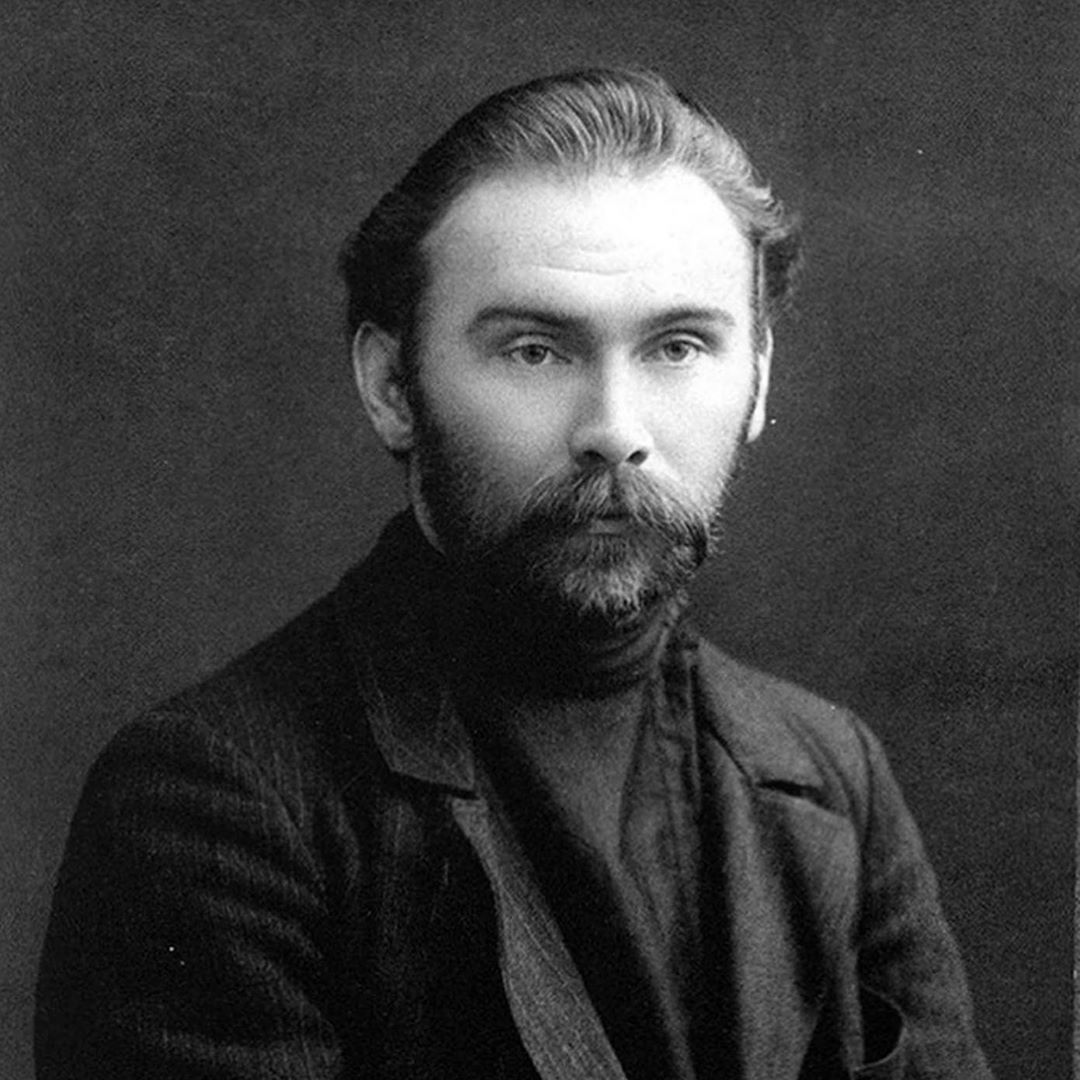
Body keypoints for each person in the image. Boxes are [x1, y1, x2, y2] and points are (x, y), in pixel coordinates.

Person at [35, 68, 992, 1080]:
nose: (613, 429)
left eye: (677, 347)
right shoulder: (218, 801)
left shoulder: (831, 772)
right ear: (392, 386)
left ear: (757, 379)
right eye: (535, 351)